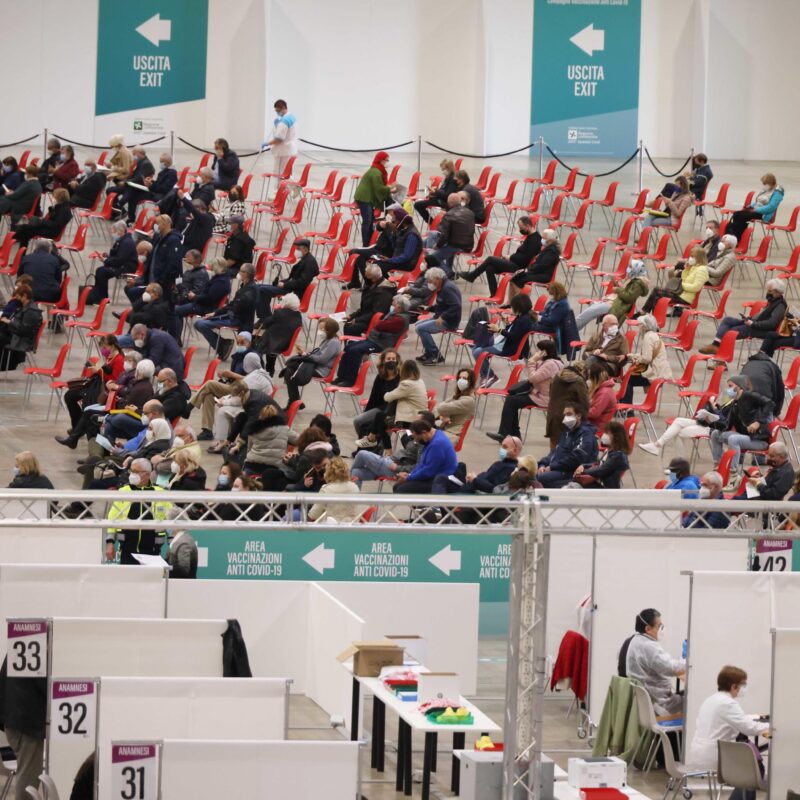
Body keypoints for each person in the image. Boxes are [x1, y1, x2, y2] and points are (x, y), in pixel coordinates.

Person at [689, 670, 768, 799]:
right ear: (733, 686)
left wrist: (757, 717)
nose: (745, 688)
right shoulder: (728, 703)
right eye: (743, 684)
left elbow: (736, 718)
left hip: (700, 753)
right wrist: (772, 727)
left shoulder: (712, 699)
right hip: (713, 756)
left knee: (749, 765)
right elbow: (748, 727)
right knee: (754, 768)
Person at [487, 338, 562, 441]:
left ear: (544, 352)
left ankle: (506, 434)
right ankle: (514, 436)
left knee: (512, 401)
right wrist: (535, 362)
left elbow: (533, 378)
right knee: (511, 399)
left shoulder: (551, 365)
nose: (536, 352)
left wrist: (532, 361)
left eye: (538, 350)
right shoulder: (547, 362)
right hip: (538, 394)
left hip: (544, 398)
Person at [333, 294, 410, 386]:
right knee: (348, 347)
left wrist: (380, 324)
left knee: (355, 351)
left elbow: (380, 325)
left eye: (395, 303)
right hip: (374, 340)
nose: (393, 305)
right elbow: (381, 325)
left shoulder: (399, 320)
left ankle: (351, 380)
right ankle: (341, 376)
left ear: (399, 307)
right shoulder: (395, 315)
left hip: (381, 344)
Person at [105, 458, 170, 565]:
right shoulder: (123, 492)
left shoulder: (160, 494)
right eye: (131, 471)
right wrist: (110, 542)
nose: (131, 474)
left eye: (135, 472)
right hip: (127, 550)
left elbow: (171, 522)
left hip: (153, 552)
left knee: (150, 581)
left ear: (147, 474)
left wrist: (172, 545)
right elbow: (112, 520)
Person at [457, 215, 542, 295]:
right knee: (489, 268)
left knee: (491, 259)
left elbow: (525, 259)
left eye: (521, 227)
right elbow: (523, 254)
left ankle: (472, 276)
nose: (520, 230)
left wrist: (510, 257)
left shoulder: (534, 240)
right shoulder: (531, 236)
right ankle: (494, 295)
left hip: (518, 267)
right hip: (516, 262)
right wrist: (510, 256)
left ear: (527, 226)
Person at [699, 278, 787, 355]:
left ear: (778, 292)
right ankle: (715, 345)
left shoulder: (780, 306)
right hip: (755, 323)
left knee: (731, 332)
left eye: (770, 291)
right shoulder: (773, 301)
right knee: (728, 320)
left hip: (762, 330)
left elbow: (771, 324)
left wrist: (752, 324)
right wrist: (749, 319)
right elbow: (762, 315)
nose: (768, 293)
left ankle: (721, 361)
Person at [61, 335, 124, 438]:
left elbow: (115, 379)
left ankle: (79, 429)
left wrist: (98, 371)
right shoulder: (110, 356)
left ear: (112, 346)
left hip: (104, 389)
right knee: (69, 396)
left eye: (105, 347)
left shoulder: (119, 359)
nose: (103, 350)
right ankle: (77, 426)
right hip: (96, 385)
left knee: (86, 401)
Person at [625, 608, 685, 714]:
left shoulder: (637, 640)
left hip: (650, 701)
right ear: (648, 629)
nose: (662, 629)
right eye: (659, 626)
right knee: (695, 700)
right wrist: (690, 662)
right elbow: (671, 668)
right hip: (660, 704)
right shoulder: (648, 646)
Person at [361, 358, 428, 451]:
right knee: (382, 417)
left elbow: (387, 397)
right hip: (420, 416)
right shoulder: (420, 381)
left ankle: (380, 445)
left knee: (381, 418)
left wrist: (387, 391)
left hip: (409, 420)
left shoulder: (406, 384)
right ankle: (376, 442)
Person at [709, 375, 773, 471]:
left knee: (733, 439)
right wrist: (715, 412)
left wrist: (758, 422)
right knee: (715, 434)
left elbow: (770, 403)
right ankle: (718, 466)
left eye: (730, 386)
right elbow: (726, 426)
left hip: (758, 440)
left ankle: (733, 472)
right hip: (744, 437)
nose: (728, 389)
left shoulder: (749, 396)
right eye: (728, 386)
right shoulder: (734, 402)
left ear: (739, 387)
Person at [472, 293, 536, 386]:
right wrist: (504, 322)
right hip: (504, 343)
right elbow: (512, 330)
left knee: (478, 352)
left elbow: (514, 337)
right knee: (476, 348)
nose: (511, 308)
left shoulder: (524, 320)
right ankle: (485, 375)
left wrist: (498, 330)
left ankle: (490, 376)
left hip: (509, 348)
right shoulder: (522, 317)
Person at [196, 263, 258, 358]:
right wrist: (215, 313)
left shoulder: (251, 291)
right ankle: (223, 344)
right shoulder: (244, 287)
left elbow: (235, 307)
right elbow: (232, 305)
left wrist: (218, 313)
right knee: (199, 323)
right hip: (232, 315)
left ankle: (222, 345)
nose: (239, 273)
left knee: (201, 324)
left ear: (246, 274)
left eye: (241, 271)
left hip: (238, 319)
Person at [430, 435, 522, 495]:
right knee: (442, 477)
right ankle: (436, 507)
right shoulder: (501, 463)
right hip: (470, 485)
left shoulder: (510, 469)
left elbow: (493, 489)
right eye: (502, 446)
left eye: (505, 447)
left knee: (437, 482)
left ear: (515, 451)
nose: (501, 449)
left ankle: (436, 507)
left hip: (475, 492)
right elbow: (486, 476)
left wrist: (475, 480)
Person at [575, 258, 649, 331]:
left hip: (617, 306)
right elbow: (625, 291)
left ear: (636, 269)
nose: (628, 269)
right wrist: (616, 283)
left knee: (589, 312)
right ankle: (573, 329)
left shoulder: (638, 284)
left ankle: (571, 329)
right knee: (588, 312)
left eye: (630, 267)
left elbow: (629, 298)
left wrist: (617, 289)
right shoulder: (632, 279)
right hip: (614, 302)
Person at [280, 317, 341, 407]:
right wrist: (305, 354)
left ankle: (294, 402)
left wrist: (306, 355)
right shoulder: (328, 340)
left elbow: (322, 359)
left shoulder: (333, 342)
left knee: (290, 372)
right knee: (290, 370)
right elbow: (318, 355)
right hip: (315, 365)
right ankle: (295, 401)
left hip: (321, 370)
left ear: (329, 330)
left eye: (322, 329)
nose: (320, 331)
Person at [537, 403, 598, 487]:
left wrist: (552, 467)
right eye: (565, 415)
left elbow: (576, 459)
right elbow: (555, 452)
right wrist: (542, 464)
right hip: (559, 468)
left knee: (539, 478)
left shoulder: (586, 434)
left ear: (579, 416)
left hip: (572, 472)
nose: (566, 418)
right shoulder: (568, 432)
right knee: (530, 473)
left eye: (569, 414)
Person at [174, 257, 231, 343]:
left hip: (205, 307)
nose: (209, 269)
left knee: (175, 311)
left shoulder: (220, 282)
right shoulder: (221, 278)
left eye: (211, 267)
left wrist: (195, 297)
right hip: (202, 303)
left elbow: (209, 299)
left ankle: (175, 339)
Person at [393, 418, 457, 494]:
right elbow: (422, 464)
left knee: (401, 489)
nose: (417, 441)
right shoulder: (435, 435)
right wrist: (410, 475)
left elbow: (428, 471)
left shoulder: (436, 445)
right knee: (398, 486)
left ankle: (426, 505)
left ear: (424, 433)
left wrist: (408, 478)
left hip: (442, 481)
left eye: (418, 439)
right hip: (435, 476)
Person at [256, 239, 318, 317]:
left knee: (261, 290)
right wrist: (282, 282)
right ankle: (265, 316)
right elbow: (295, 279)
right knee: (258, 287)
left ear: (305, 249)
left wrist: (284, 285)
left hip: (295, 292)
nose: (296, 251)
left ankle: (264, 318)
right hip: (291, 288)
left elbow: (301, 283)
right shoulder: (305, 259)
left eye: (298, 249)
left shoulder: (309, 263)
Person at [620, 313, 672, 405]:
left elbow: (646, 358)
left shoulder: (648, 337)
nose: (638, 327)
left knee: (627, 380)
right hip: (661, 371)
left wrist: (634, 358)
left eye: (639, 325)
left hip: (655, 372)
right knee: (629, 379)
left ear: (644, 326)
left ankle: (626, 408)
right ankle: (624, 406)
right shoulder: (654, 335)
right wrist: (631, 356)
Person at [414, 267, 462, 365]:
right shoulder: (442, 286)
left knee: (421, 328)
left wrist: (443, 317)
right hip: (440, 317)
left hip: (449, 321)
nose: (429, 283)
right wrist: (429, 308)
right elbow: (442, 305)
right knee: (418, 325)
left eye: (430, 281)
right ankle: (428, 353)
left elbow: (456, 306)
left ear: (437, 278)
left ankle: (435, 355)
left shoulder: (447, 288)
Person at [641, 246, 709, 314]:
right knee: (656, 297)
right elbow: (684, 279)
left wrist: (682, 285)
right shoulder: (694, 267)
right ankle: (654, 317)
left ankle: (644, 312)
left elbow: (696, 287)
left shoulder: (702, 270)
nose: (690, 258)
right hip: (680, 293)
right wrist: (686, 270)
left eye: (693, 256)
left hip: (685, 298)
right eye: (690, 256)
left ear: (699, 258)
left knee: (657, 290)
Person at [351, 348, 401, 439]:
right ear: (383, 361)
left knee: (383, 427)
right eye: (388, 359)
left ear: (397, 360)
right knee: (359, 421)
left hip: (395, 411)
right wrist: (366, 413)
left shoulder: (401, 377)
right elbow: (374, 397)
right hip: (380, 408)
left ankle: (378, 447)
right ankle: (366, 443)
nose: (391, 361)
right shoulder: (380, 377)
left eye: (393, 359)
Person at [87, 221, 138, 304]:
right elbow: (116, 256)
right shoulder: (122, 240)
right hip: (121, 265)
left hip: (126, 268)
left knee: (102, 272)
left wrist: (106, 260)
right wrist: (107, 257)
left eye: (113, 231)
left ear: (120, 231)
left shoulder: (127, 242)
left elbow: (120, 260)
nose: (112, 234)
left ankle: (103, 299)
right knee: (100, 270)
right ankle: (99, 297)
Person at [426, 192, 475, 276]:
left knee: (431, 258)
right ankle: (442, 268)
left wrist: (438, 246)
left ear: (449, 204)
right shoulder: (470, 212)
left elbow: (444, 235)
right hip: (468, 245)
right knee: (430, 238)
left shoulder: (449, 215)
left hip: (456, 245)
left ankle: (448, 272)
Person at [253, 292, 303, 375]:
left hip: (274, 343)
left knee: (258, 342)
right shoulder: (298, 316)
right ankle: (270, 369)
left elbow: (266, 323)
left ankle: (261, 369)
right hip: (286, 344)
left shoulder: (280, 312)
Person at [726, 173, 785, 241]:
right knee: (736, 214)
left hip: (764, 214)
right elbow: (758, 201)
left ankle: (736, 238)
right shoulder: (767, 189)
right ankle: (732, 236)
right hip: (756, 210)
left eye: (765, 184)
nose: (764, 185)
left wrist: (756, 210)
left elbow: (771, 207)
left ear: (770, 183)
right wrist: (750, 206)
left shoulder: (778, 193)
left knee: (742, 217)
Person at [241, 404, 291, 485]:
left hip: (251, 465)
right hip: (273, 469)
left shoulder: (253, 429)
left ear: (260, 415)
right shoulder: (284, 428)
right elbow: (299, 439)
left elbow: (249, 449)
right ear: (276, 416)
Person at [354, 151, 396, 246]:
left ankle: (370, 241)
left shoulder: (376, 169)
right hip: (364, 198)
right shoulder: (376, 172)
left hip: (366, 197)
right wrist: (390, 187)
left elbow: (378, 187)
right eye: (386, 160)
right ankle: (366, 243)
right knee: (367, 221)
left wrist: (388, 189)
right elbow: (379, 188)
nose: (387, 162)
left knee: (370, 220)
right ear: (381, 160)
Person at [342, 262, 396, 337]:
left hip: (374, 321)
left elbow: (376, 313)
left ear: (373, 278)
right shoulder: (372, 286)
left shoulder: (383, 292)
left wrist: (358, 320)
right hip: (367, 317)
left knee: (351, 327)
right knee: (348, 324)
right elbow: (365, 308)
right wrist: (352, 316)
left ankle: (353, 346)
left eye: (367, 277)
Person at [572, 421, 631, 489]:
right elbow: (599, 464)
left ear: (616, 436)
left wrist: (583, 471)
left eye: (607, 433)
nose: (604, 435)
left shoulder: (618, 456)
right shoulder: (609, 450)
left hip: (606, 488)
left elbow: (601, 470)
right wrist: (583, 466)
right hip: (599, 483)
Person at [546, 363, 590, 447]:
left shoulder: (557, 376)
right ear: (583, 371)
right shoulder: (579, 381)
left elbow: (551, 394)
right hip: (569, 418)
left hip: (552, 416)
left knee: (553, 448)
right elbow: (584, 403)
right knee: (566, 450)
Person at [530, 281, 579, 356]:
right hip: (548, 324)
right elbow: (547, 313)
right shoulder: (556, 300)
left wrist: (538, 318)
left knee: (527, 326)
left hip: (553, 328)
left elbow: (552, 321)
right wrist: (537, 313)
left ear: (555, 291)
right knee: (526, 322)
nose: (548, 290)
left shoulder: (562, 304)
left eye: (549, 290)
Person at [0, 284, 42, 371]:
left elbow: (23, 329)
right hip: (17, 335)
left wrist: (10, 322)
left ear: (25, 296)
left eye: (18, 296)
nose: (17, 299)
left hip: (22, 339)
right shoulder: (25, 307)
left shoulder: (31, 311)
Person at [509, 228, 561, 297]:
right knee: (514, 278)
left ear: (550, 240)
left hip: (543, 276)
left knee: (519, 279)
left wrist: (528, 271)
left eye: (543, 238)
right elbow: (537, 263)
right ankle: (510, 302)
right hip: (538, 272)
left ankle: (522, 302)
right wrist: (526, 270)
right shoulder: (547, 248)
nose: (541, 240)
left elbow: (542, 266)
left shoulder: (552, 251)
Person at [308, 458, 362, 523]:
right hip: (352, 528)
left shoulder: (326, 490)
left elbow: (313, 515)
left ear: (328, 472)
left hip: (331, 529)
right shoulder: (355, 487)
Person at [372, 208, 423, 277]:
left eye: (394, 221)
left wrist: (389, 260)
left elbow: (406, 257)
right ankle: (383, 284)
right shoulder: (402, 229)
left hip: (406, 264)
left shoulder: (412, 235)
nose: (393, 222)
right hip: (398, 259)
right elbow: (395, 246)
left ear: (401, 221)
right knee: (375, 263)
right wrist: (392, 234)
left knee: (377, 267)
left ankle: (386, 284)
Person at [112, 145, 155, 223]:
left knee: (131, 193)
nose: (133, 155)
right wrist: (125, 179)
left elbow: (139, 179)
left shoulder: (147, 164)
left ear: (140, 153)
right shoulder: (139, 161)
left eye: (134, 153)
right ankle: (119, 210)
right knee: (110, 190)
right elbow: (133, 175)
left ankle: (122, 205)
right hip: (132, 185)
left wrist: (125, 182)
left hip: (140, 188)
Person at [433, 369, 476, 443]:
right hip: (444, 430)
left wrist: (442, 412)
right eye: (459, 378)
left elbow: (441, 407)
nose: (461, 380)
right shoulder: (459, 395)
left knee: (417, 439)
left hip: (451, 434)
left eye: (464, 378)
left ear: (470, 382)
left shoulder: (469, 400)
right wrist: (441, 416)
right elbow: (436, 409)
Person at [17, 238, 66, 302]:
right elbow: (58, 280)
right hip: (50, 295)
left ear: (35, 248)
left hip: (28, 294)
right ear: (49, 249)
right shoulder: (55, 260)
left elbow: (19, 277)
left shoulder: (26, 258)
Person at [263, 99, 298, 181]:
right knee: (287, 172)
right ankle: (292, 188)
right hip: (289, 149)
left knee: (280, 173)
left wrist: (267, 143)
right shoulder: (291, 117)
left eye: (277, 110)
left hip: (283, 151)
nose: (277, 113)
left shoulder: (284, 121)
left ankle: (279, 192)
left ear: (283, 108)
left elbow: (279, 139)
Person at [414, 159, 458, 224]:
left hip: (443, 201)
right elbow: (443, 191)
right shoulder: (448, 177)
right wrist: (434, 192)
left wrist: (436, 191)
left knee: (418, 205)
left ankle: (432, 223)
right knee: (418, 204)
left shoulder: (452, 179)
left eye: (443, 169)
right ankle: (433, 223)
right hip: (440, 199)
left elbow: (448, 195)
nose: (443, 171)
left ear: (449, 168)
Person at [741, 351, 784, 416]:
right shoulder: (773, 366)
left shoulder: (747, 365)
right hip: (764, 407)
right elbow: (780, 393)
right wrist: (776, 413)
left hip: (744, 407)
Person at [587, 361, 617, 432]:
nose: (589, 379)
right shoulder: (602, 389)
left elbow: (594, 413)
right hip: (593, 424)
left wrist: (579, 411)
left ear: (595, 378)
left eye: (590, 377)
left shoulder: (605, 393)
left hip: (597, 427)